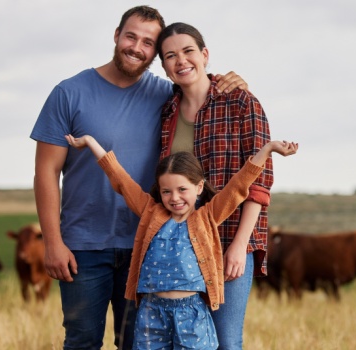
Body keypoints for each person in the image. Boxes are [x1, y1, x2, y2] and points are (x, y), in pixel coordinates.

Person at [30, 6, 248, 350]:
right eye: (131, 36)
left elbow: (199, 84)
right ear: (117, 35)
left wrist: (229, 81)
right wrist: (52, 242)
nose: (137, 47)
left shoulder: (166, 94)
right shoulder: (69, 93)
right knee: (82, 339)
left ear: (154, 53)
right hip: (83, 245)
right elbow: (46, 172)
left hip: (147, 245)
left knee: (136, 343)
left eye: (148, 42)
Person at [64, 133, 298, 349]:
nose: (174, 198)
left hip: (192, 313)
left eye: (182, 189)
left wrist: (267, 149)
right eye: (166, 191)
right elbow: (122, 182)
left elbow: (238, 186)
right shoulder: (150, 213)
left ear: (198, 187)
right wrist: (91, 143)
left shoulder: (207, 217)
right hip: (151, 311)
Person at [155, 22, 273, 348]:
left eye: (188, 51)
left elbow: (260, 181)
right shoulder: (167, 112)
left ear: (205, 54)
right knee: (185, 339)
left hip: (229, 239)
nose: (181, 61)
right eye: (170, 56)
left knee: (225, 341)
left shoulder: (241, 102)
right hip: (181, 244)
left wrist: (240, 245)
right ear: (164, 67)